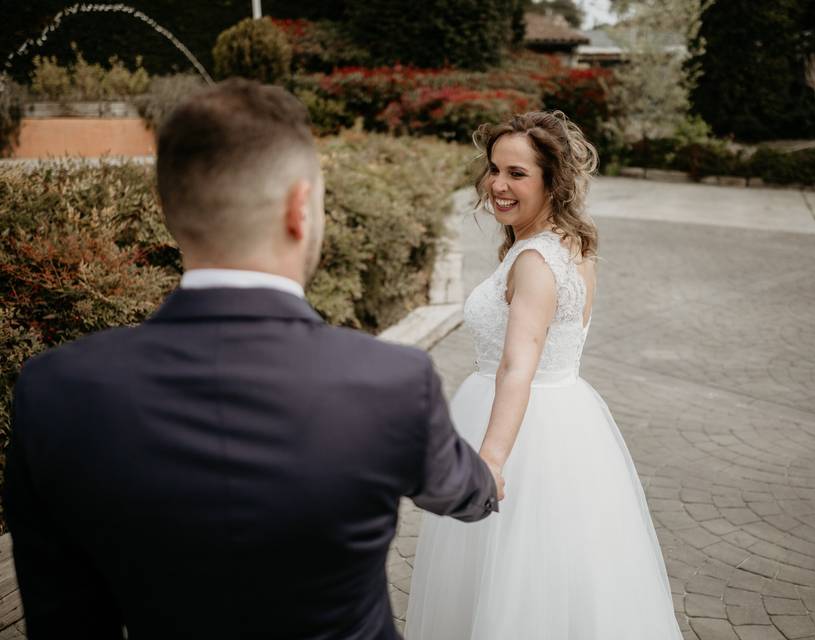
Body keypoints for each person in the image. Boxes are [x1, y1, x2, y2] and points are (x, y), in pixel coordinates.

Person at [3, 79, 502, 640]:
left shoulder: (54, 390)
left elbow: (63, 619)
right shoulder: (390, 381)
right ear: (299, 208)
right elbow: (462, 490)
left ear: (169, 211)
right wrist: (489, 482)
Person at [404, 111, 683, 639]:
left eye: (517, 173)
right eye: (493, 169)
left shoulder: (534, 260)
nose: (497, 185)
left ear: (552, 181)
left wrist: (489, 460)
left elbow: (517, 366)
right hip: (567, 421)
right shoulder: (569, 246)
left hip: (518, 432)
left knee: (510, 576)